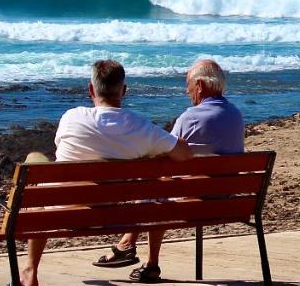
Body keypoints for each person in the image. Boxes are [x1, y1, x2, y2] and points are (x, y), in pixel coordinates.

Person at [19, 60, 194, 286]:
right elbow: (184, 154)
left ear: (91, 90)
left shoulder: (72, 117)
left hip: (61, 213)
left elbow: (59, 145)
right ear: (123, 91)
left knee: (35, 162)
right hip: (111, 212)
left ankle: (30, 271)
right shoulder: (140, 127)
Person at [93, 59, 244, 273]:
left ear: (199, 86)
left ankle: (142, 256)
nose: (187, 91)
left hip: (194, 202)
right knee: (161, 185)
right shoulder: (235, 114)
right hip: (228, 200)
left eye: (189, 85)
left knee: (157, 185)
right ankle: (128, 244)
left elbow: (164, 153)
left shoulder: (191, 117)